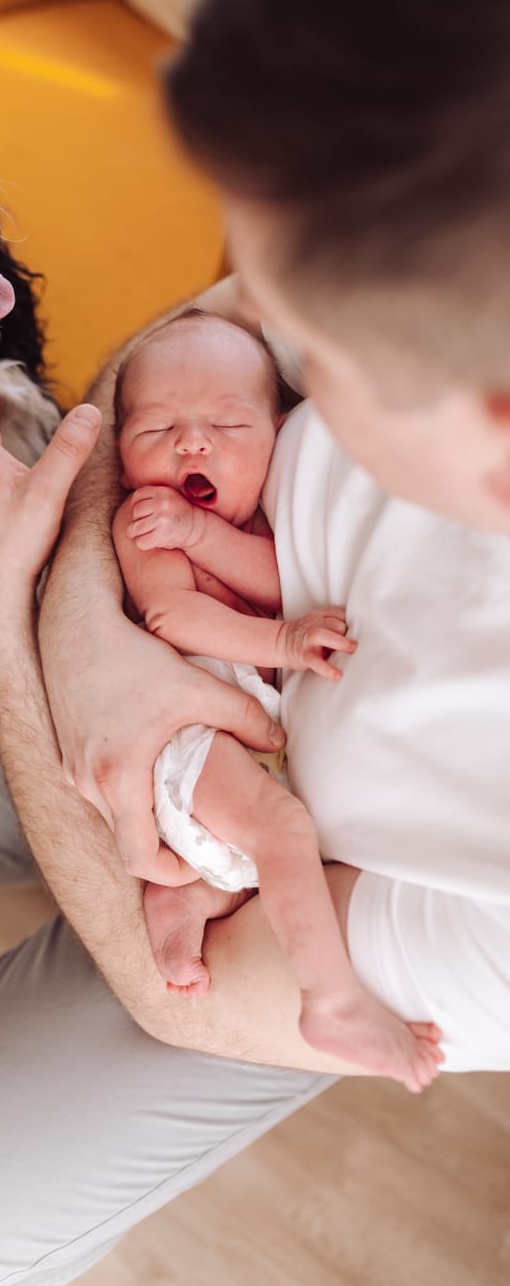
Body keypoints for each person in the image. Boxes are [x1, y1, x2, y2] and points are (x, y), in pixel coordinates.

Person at [0, 0, 510, 1282]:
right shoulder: (441, 205)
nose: (277, 366)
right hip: (114, 599)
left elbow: (191, 980)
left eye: (323, 362)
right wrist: (89, 629)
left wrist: (22, 651)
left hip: (248, 847)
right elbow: (198, 336)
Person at [111, 309, 442, 1093]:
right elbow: (173, 615)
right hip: (183, 735)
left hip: (245, 745)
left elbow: (280, 582)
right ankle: (329, 1001)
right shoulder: (144, 520)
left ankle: (186, 899)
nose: (191, 444)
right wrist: (283, 642)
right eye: (156, 429)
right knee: (284, 830)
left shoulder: (270, 518)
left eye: (226, 424)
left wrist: (213, 540)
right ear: (118, 452)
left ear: (277, 432)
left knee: (287, 842)